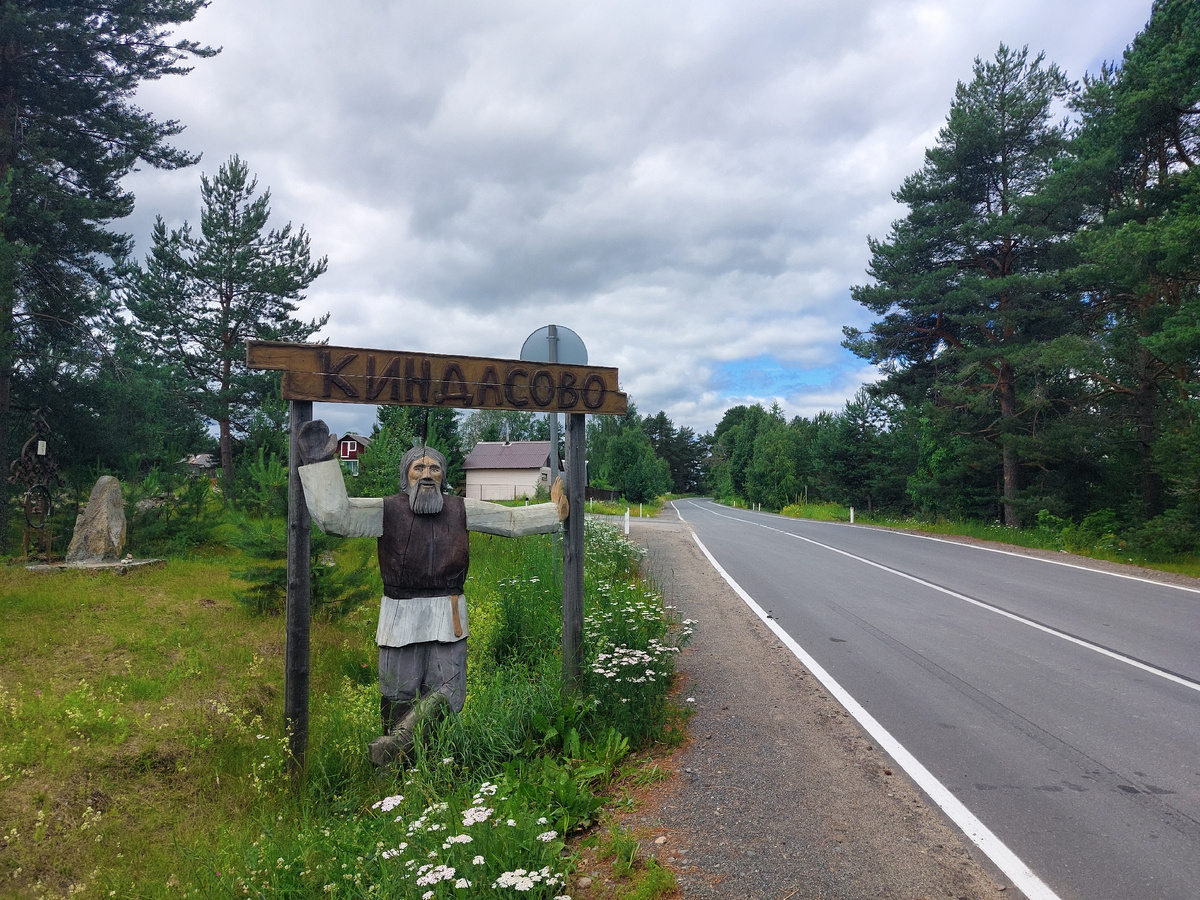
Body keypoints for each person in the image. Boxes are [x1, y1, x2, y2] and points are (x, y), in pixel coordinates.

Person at [296, 419, 568, 766]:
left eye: (435, 468)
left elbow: (510, 522)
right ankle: (399, 769)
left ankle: (403, 750)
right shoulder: (386, 509)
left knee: (450, 690)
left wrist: (554, 512)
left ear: (444, 476)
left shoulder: (460, 508)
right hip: (399, 614)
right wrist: (320, 465)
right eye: (418, 467)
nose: (427, 473)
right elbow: (337, 518)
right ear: (405, 475)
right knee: (398, 691)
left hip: (448, 611)